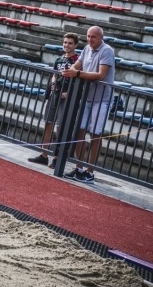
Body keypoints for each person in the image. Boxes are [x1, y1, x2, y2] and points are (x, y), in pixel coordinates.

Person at [61, 26, 116, 183]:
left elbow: (101, 75)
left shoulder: (107, 51)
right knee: (80, 130)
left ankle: (90, 172)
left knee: (95, 134)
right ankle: (79, 168)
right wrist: (70, 70)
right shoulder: (86, 49)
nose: (90, 39)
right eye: (88, 36)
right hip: (87, 97)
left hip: (102, 98)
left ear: (101, 38)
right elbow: (76, 66)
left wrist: (77, 73)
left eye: (93, 37)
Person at [28, 33, 80, 169]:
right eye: (65, 42)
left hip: (67, 96)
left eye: (70, 43)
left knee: (60, 126)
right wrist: (53, 84)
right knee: (48, 123)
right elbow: (55, 74)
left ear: (75, 45)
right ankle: (44, 155)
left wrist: (69, 93)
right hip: (55, 94)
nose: (66, 45)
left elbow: (78, 80)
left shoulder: (77, 60)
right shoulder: (59, 59)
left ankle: (57, 157)